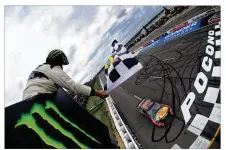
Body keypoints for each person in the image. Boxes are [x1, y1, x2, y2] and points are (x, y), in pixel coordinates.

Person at [22, 49, 108, 100]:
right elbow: (73, 86)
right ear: (58, 62)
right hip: (40, 99)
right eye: (61, 65)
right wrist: (98, 93)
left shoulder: (41, 69)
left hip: (26, 101)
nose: (61, 67)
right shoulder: (53, 69)